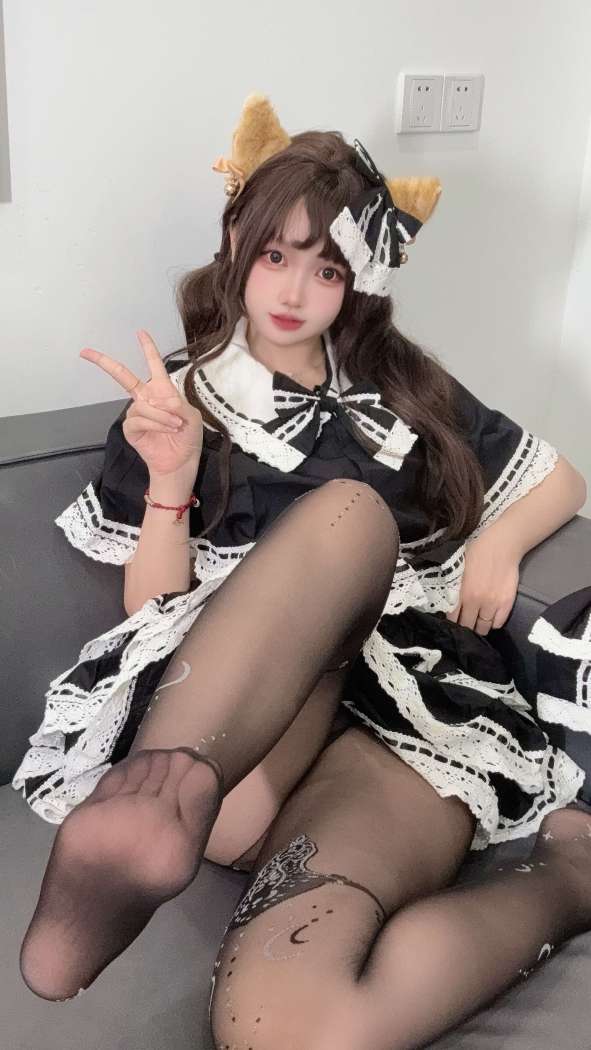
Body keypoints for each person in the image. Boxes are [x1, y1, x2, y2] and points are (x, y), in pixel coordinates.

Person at [13, 94, 591, 1049]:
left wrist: (495, 544)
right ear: (234, 244)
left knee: (283, 1028)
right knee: (347, 516)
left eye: (326, 269)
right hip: (243, 735)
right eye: (274, 256)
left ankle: (570, 880)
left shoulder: (402, 386)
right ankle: (162, 794)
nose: (292, 290)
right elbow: (151, 610)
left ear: (359, 283)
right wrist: (170, 478)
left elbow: (559, 477)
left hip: (402, 719)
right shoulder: (179, 403)